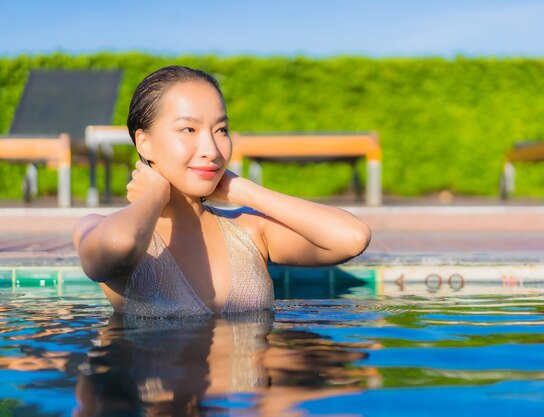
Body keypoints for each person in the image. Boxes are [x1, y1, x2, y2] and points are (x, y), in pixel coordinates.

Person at [73, 65, 371, 317]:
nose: (212, 150)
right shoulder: (98, 228)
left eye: (221, 130)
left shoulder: (251, 230)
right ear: (144, 143)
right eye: (188, 129)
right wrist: (156, 193)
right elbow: (117, 245)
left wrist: (241, 189)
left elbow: (351, 238)